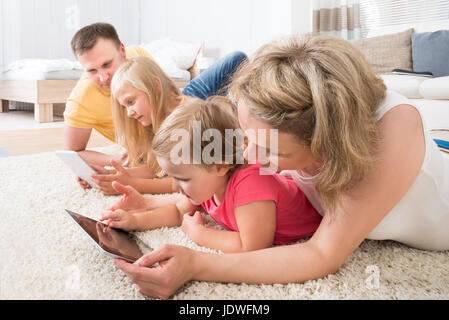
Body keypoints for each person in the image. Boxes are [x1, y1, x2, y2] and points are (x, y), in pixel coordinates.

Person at [112, 34, 449, 299]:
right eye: (247, 139)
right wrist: (149, 204)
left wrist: (198, 262)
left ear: (324, 140)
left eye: (272, 152)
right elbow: (207, 168)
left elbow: (321, 254)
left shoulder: (389, 133)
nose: (252, 159)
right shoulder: (267, 131)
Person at [99, 97, 322, 253]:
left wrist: (200, 235)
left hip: (316, 210)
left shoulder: (251, 184)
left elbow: (252, 246)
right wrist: (134, 221)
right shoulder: (210, 183)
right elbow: (178, 212)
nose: (175, 186)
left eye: (183, 179)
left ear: (220, 166)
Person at [90, 53, 247, 195]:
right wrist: (110, 176)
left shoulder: (188, 124)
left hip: (194, 109)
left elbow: (184, 179)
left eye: (131, 102)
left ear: (155, 86)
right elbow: (157, 168)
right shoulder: (150, 120)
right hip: (179, 100)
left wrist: (133, 184)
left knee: (236, 58)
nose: (129, 113)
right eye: (125, 106)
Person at [64, 22, 154, 187]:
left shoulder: (139, 58)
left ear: (122, 51)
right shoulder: (80, 101)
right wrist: (117, 160)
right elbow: (72, 154)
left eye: (107, 64)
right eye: (92, 70)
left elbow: (168, 97)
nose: (103, 78)